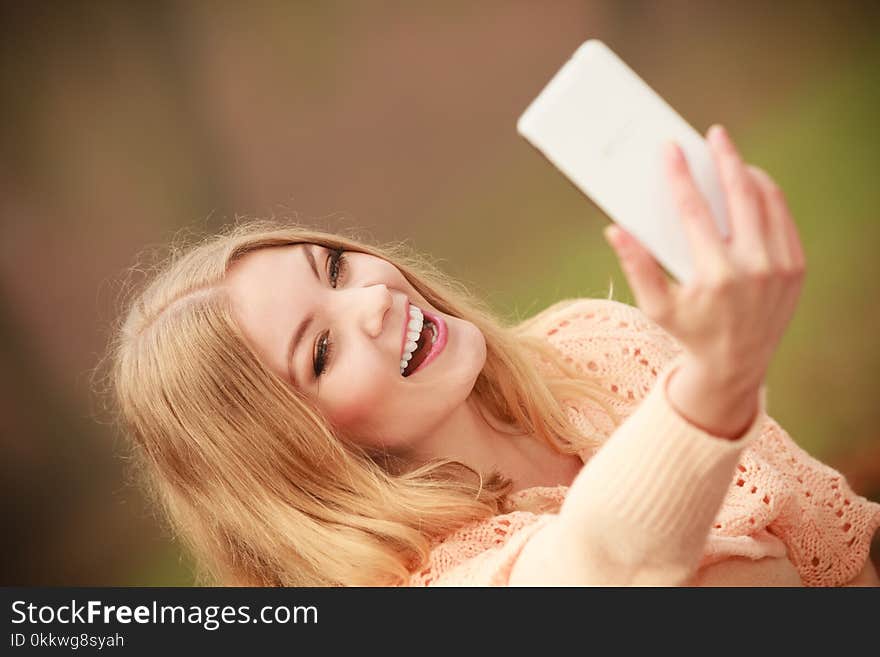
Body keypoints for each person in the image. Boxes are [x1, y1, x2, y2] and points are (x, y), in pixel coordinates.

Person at [104, 125, 879, 586]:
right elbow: (598, 565)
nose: (372, 299)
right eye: (323, 349)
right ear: (294, 459)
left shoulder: (594, 343)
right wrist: (716, 382)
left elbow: (840, 556)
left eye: (333, 267)